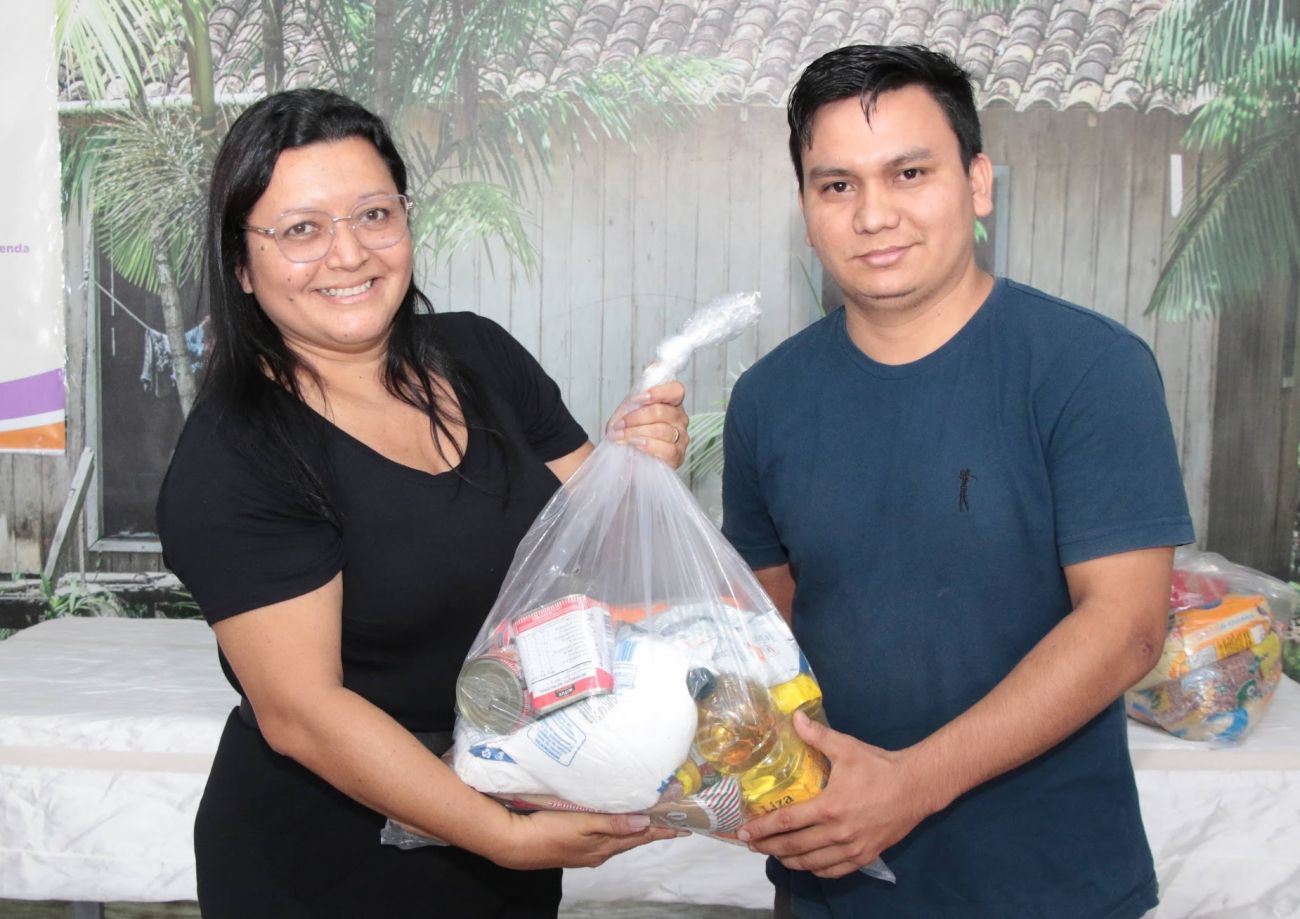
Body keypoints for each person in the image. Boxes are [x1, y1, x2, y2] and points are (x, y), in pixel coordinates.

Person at [156, 88, 690, 918]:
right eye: (301, 230)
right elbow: (303, 713)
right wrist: (500, 835)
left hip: (513, 792)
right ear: (241, 266)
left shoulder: (479, 353)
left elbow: (598, 557)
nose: (347, 253)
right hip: (329, 861)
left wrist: (638, 466)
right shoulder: (236, 454)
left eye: (374, 214)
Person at [721, 45, 1192, 918]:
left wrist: (910, 784)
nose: (874, 215)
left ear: (978, 183)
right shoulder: (767, 399)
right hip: (832, 879)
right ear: (807, 211)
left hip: (1047, 885)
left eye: (910, 172)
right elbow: (767, 631)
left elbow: (1126, 628)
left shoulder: (1088, 368)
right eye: (837, 185)